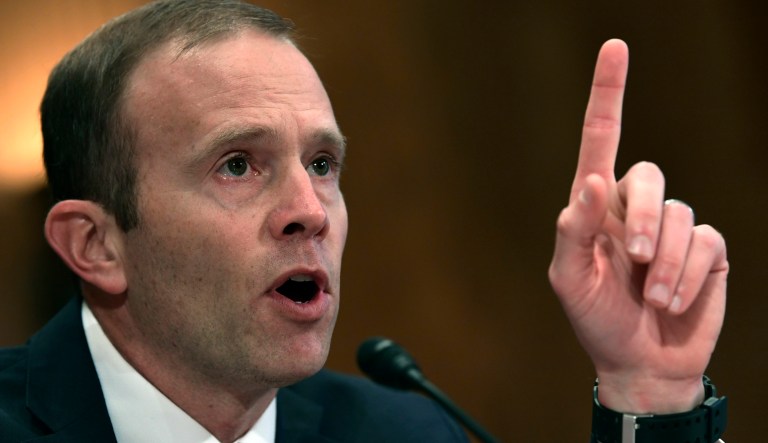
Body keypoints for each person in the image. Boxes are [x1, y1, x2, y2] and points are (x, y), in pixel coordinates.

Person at [0, 1, 728, 442]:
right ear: (95, 245)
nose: (310, 213)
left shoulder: (405, 433)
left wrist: (649, 392)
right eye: (237, 165)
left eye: (321, 164)